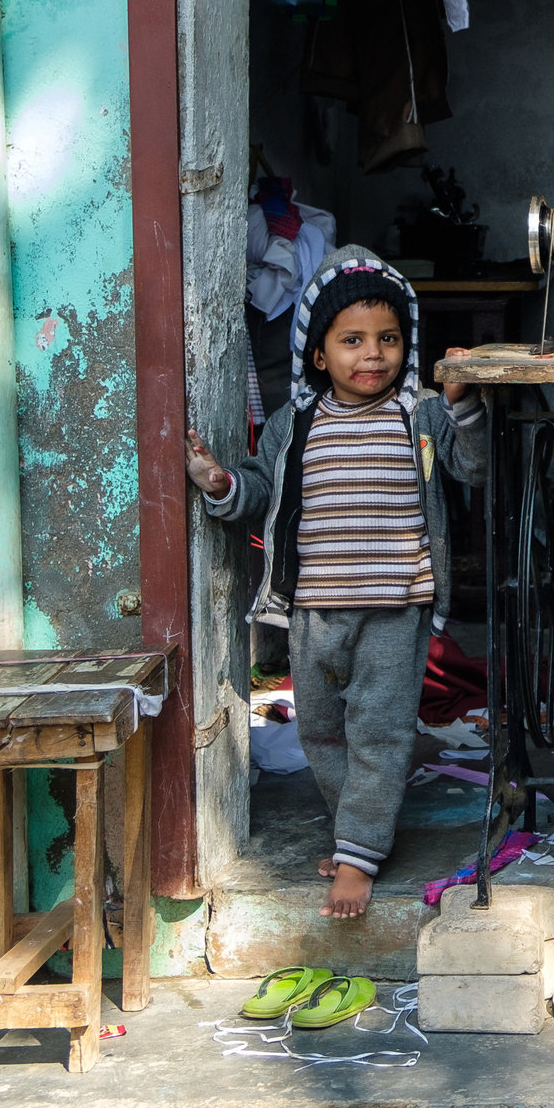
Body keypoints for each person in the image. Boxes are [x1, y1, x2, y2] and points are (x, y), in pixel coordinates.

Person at [186, 249, 488, 917]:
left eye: (387, 338)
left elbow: (473, 468)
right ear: (319, 354)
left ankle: (356, 854)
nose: (372, 354)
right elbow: (261, 490)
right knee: (321, 732)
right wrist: (222, 484)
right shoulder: (295, 425)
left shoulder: (422, 415)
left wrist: (465, 405)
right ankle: (359, 830)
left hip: (393, 606)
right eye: (351, 340)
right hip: (314, 611)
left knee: (379, 731)